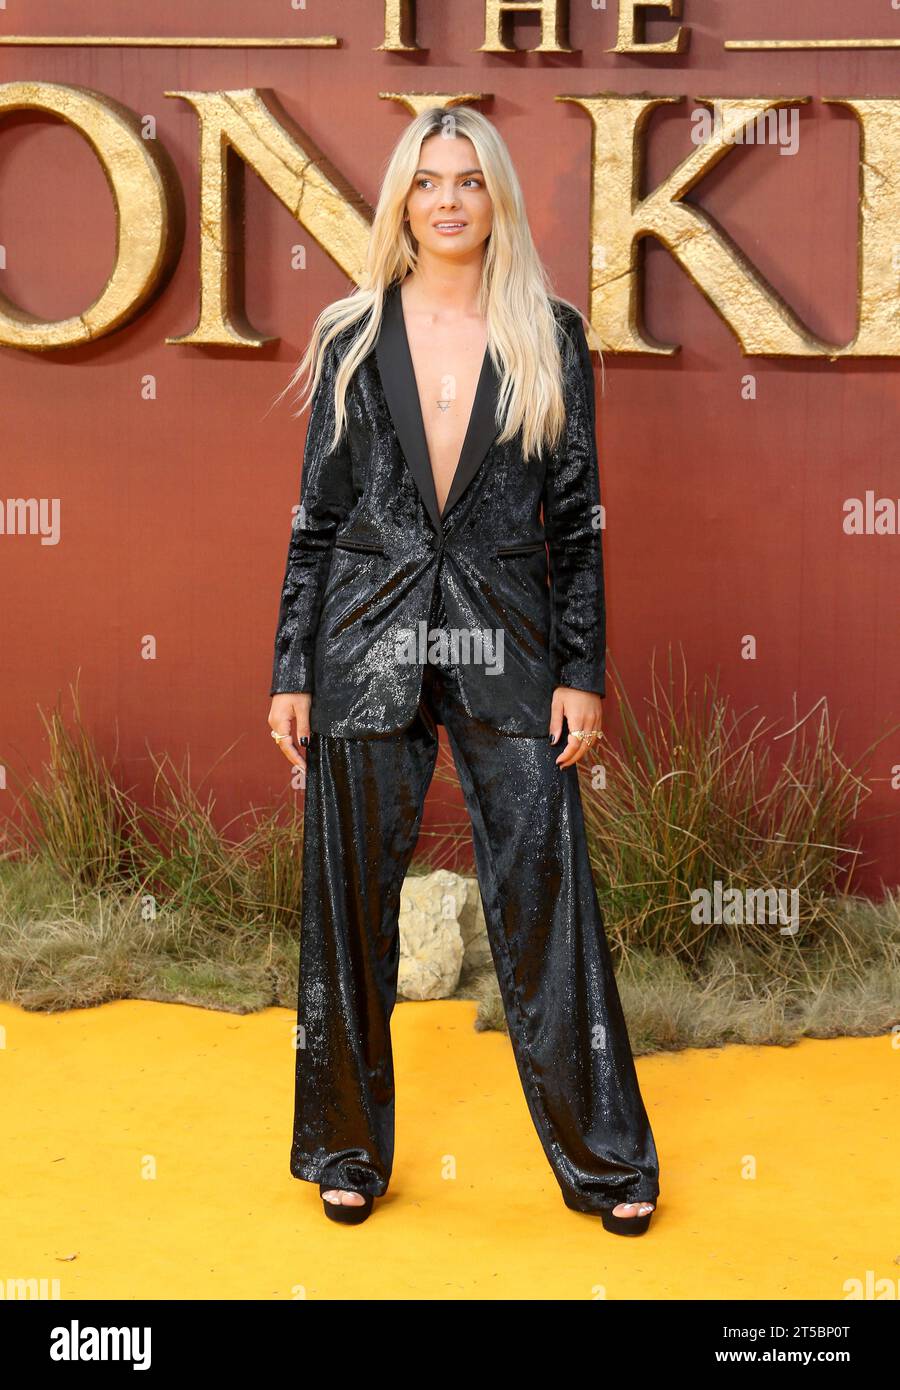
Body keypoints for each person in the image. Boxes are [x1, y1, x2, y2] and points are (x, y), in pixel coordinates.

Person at [267, 106, 660, 1235]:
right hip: (362, 635)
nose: (447, 200)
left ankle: (609, 1163)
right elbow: (317, 520)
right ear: (402, 199)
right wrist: (293, 661)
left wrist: (580, 669)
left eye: (469, 182)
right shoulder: (350, 332)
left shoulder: (551, 332)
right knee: (345, 905)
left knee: (548, 897)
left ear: (498, 202)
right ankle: (343, 1145)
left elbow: (578, 522)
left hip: (510, 640)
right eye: (428, 180)